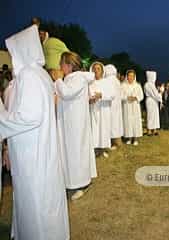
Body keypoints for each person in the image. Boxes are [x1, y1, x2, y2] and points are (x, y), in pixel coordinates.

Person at [0, 25, 69, 240]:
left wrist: (0, 114)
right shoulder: (37, 74)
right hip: (35, 150)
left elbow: (29, 116)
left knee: (36, 201)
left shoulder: (29, 75)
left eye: (13, 52)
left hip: (32, 153)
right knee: (41, 199)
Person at [55, 51, 97, 201]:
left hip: (75, 123)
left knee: (76, 152)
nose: (59, 66)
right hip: (70, 121)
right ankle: (72, 181)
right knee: (70, 152)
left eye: (61, 63)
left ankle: (82, 184)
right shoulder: (71, 78)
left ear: (69, 65)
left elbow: (66, 93)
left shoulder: (77, 78)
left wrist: (58, 80)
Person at [89, 62, 115, 157]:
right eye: (94, 69)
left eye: (98, 69)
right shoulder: (90, 83)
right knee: (94, 129)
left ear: (102, 71)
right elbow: (87, 95)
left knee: (103, 128)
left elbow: (112, 95)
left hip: (104, 109)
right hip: (94, 108)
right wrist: (90, 100)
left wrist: (102, 95)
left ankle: (103, 148)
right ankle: (95, 149)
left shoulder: (107, 82)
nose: (96, 71)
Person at [121, 69, 144, 146]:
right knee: (128, 121)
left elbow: (141, 96)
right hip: (127, 106)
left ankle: (135, 138)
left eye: (132, 76)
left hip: (135, 106)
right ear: (127, 77)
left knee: (135, 121)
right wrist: (127, 97)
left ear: (134, 77)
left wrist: (135, 98)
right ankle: (129, 138)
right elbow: (120, 95)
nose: (130, 77)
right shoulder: (123, 85)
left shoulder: (137, 86)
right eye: (129, 76)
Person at [104, 64, 124, 149]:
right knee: (116, 123)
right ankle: (117, 142)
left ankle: (113, 143)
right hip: (117, 106)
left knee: (111, 124)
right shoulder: (116, 80)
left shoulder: (108, 80)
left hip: (110, 105)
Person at [144, 71, 162, 136]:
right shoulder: (149, 84)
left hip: (153, 101)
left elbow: (155, 94)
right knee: (150, 115)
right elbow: (155, 94)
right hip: (151, 101)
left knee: (155, 115)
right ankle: (149, 130)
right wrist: (160, 93)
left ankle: (154, 130)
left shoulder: (150, 84)